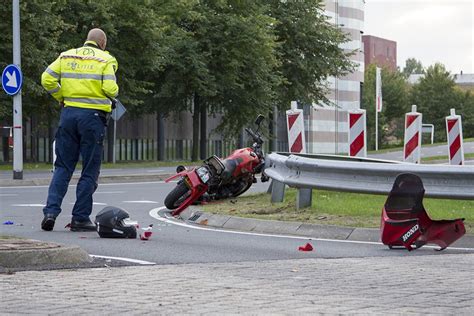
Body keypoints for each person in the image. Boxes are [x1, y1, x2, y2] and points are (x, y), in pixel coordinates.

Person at [41, 28, 119, 231]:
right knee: (89, 170)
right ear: (103, 43)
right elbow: (110, 89)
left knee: (63, 167)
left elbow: (46, 78)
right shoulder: (106, 60)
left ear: (87, 41)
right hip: (92, 119)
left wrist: (61, 96)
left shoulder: (66, 55)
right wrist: (113, 94)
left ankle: (50, 212)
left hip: (68, 116)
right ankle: (80, 218)